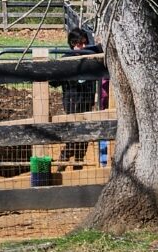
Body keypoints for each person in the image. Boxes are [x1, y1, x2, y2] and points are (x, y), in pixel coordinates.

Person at [54, 29, 103, 166]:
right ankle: (65, 155)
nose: (82, 47)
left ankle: (79, 160)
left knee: (85, 130)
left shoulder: (90, 57)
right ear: (72, 44)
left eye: (84, 43)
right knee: (74, 129)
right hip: (72, 100)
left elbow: (100, 49)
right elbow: (54, 81)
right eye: (79, 44)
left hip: (87, 100)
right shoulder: (66, 59)